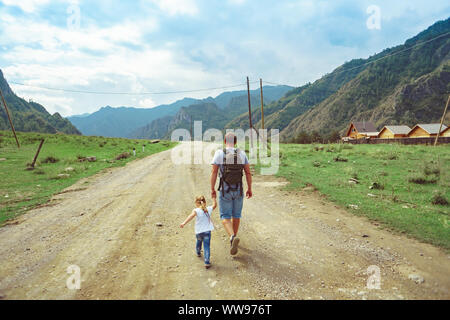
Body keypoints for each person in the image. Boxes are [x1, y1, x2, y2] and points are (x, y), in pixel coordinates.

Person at [210, 132, 252, 256]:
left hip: (225, 189)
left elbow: (213, 172)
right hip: (238, 189)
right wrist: (249, 188)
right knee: (236, 215)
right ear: (235, 142)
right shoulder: (242, 153)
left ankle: (233, 237)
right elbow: (248, 173)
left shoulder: (219, 153)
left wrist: (212, 189)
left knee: (225, 217)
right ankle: (233, 238)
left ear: (224, 141)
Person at [180, 196, 217, 269]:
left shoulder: (196, 210)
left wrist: (184, 223)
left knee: (199, 241)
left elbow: (190, 216)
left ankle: (198, 252)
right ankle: (207, 261)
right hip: (207, 231)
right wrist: (214, 198)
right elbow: (215, 205)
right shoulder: (208, 209)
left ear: (197, 203)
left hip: (199, 232)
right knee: (206, 246)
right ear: (205, 202)